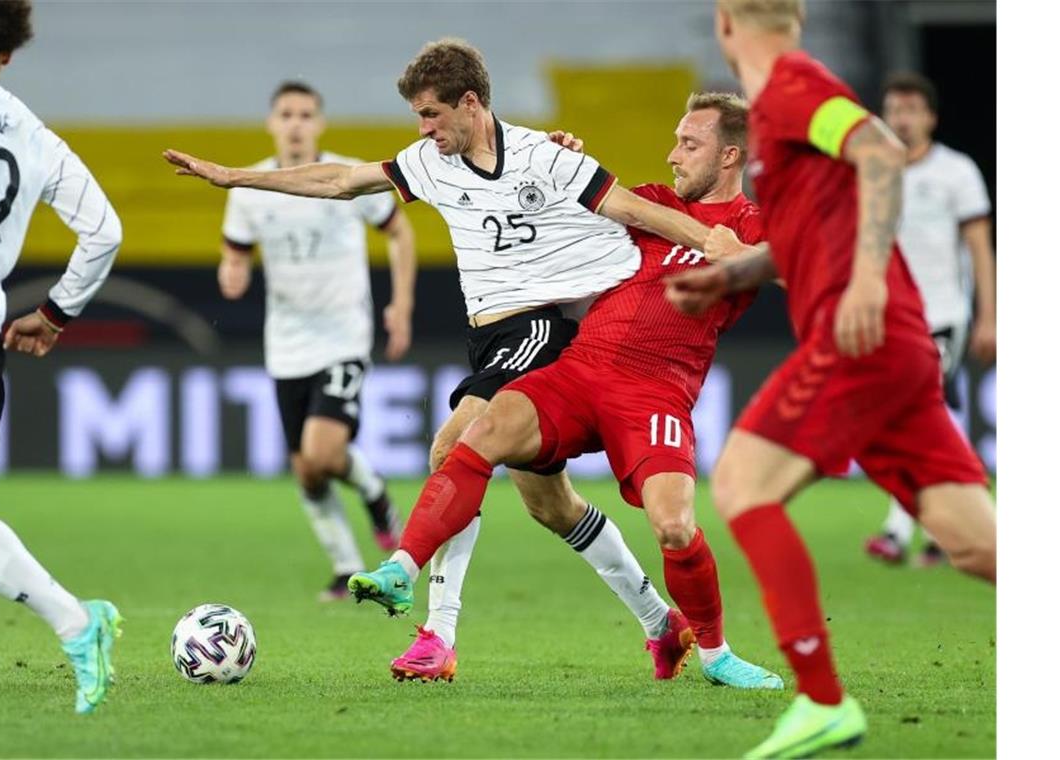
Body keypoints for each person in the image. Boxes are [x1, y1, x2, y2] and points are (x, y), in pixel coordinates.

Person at [165, 39, 732, 684]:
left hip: (544, 326)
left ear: (470, 104)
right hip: (489, 338)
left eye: (431, 115)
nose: (423, 129)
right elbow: (341, 180)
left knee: (452, 448)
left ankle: (437, 632)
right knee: (552, 506)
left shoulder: (542, 157)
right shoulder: (431, 162)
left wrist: (718, 242)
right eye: (417, 117)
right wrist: (235, 176)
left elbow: (638, 211)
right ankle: (662, 625)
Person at [663, 2, 996, 756]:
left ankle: (823, 701)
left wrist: (869, 280)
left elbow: (879, 152)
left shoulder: (789, 88)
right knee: (977, 549)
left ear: (725, 23)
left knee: (743, 484)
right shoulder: (784, 114)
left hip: (864, 337)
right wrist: (731, 276)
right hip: (894, 346)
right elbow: (802, 240)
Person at [383, 93, 783, 693]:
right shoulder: (649, 203)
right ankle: (405, 577)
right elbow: (560, 212)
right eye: (674, 140)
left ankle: (716, 653)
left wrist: (740, 256)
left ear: (730, 156)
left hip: (656, 392)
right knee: (473, 437)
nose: (673, 155)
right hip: (579, 366)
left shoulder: (753, 224)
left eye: (689, 145)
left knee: (673, 527)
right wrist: (555, 160)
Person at [219, 80, 416, 601]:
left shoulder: (346, 177)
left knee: (324, 452)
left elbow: (400, 231)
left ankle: (375, 497)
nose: (296, 123)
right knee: (307, 471)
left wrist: (402, 304)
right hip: (285, 343)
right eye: (286, 114)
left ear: (320, 124)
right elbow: (235, 253)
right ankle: (344, 568)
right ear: (271, 123)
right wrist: (232, 272)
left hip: (343, 336)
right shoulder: (249, 189)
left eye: (306, 114)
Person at [0, 0, 123, 715]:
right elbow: (103, 230)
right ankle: (76, 621)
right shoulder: (30, 130)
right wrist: (54, 312)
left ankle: (76, 620)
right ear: (7, 51)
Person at [864, 71, 996, 568]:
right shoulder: (873, 171)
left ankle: (897, 532)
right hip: (889, 317)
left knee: (909, 413)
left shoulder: (955, 172)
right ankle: (952, 527)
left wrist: (991, 315)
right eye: (894, 108)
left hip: (942, 314)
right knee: (919, 422)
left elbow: (980, 248)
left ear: (931, 118)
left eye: (912, 109)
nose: (901, 117)